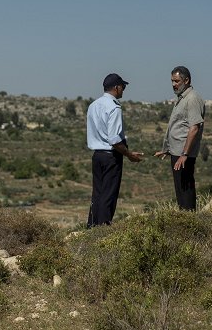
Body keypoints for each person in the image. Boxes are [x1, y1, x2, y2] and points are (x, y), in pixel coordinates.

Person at [86, 73, 143, 228]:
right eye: (122, 87)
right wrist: (129, 155)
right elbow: (114, 139)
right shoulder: (114, 107)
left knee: (97, 193)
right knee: (108, 195)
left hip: (97, 155)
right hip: (111, 156)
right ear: (117, 87)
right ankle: (103, 230)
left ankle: (92, 227)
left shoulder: (93, 105)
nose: (123, 90)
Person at [154, 66, 205, 210]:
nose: (173, 84)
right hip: (178, 153)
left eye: (176, 81)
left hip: (184, 155)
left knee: (186, 191)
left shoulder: (192, 99)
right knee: (180, 191)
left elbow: (194, 128)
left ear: (186, 80)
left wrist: (185, 154)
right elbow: (179, 127)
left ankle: (189, 224)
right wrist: (168, 150)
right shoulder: (182, 98)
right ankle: (184, 223)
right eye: (172, 81)